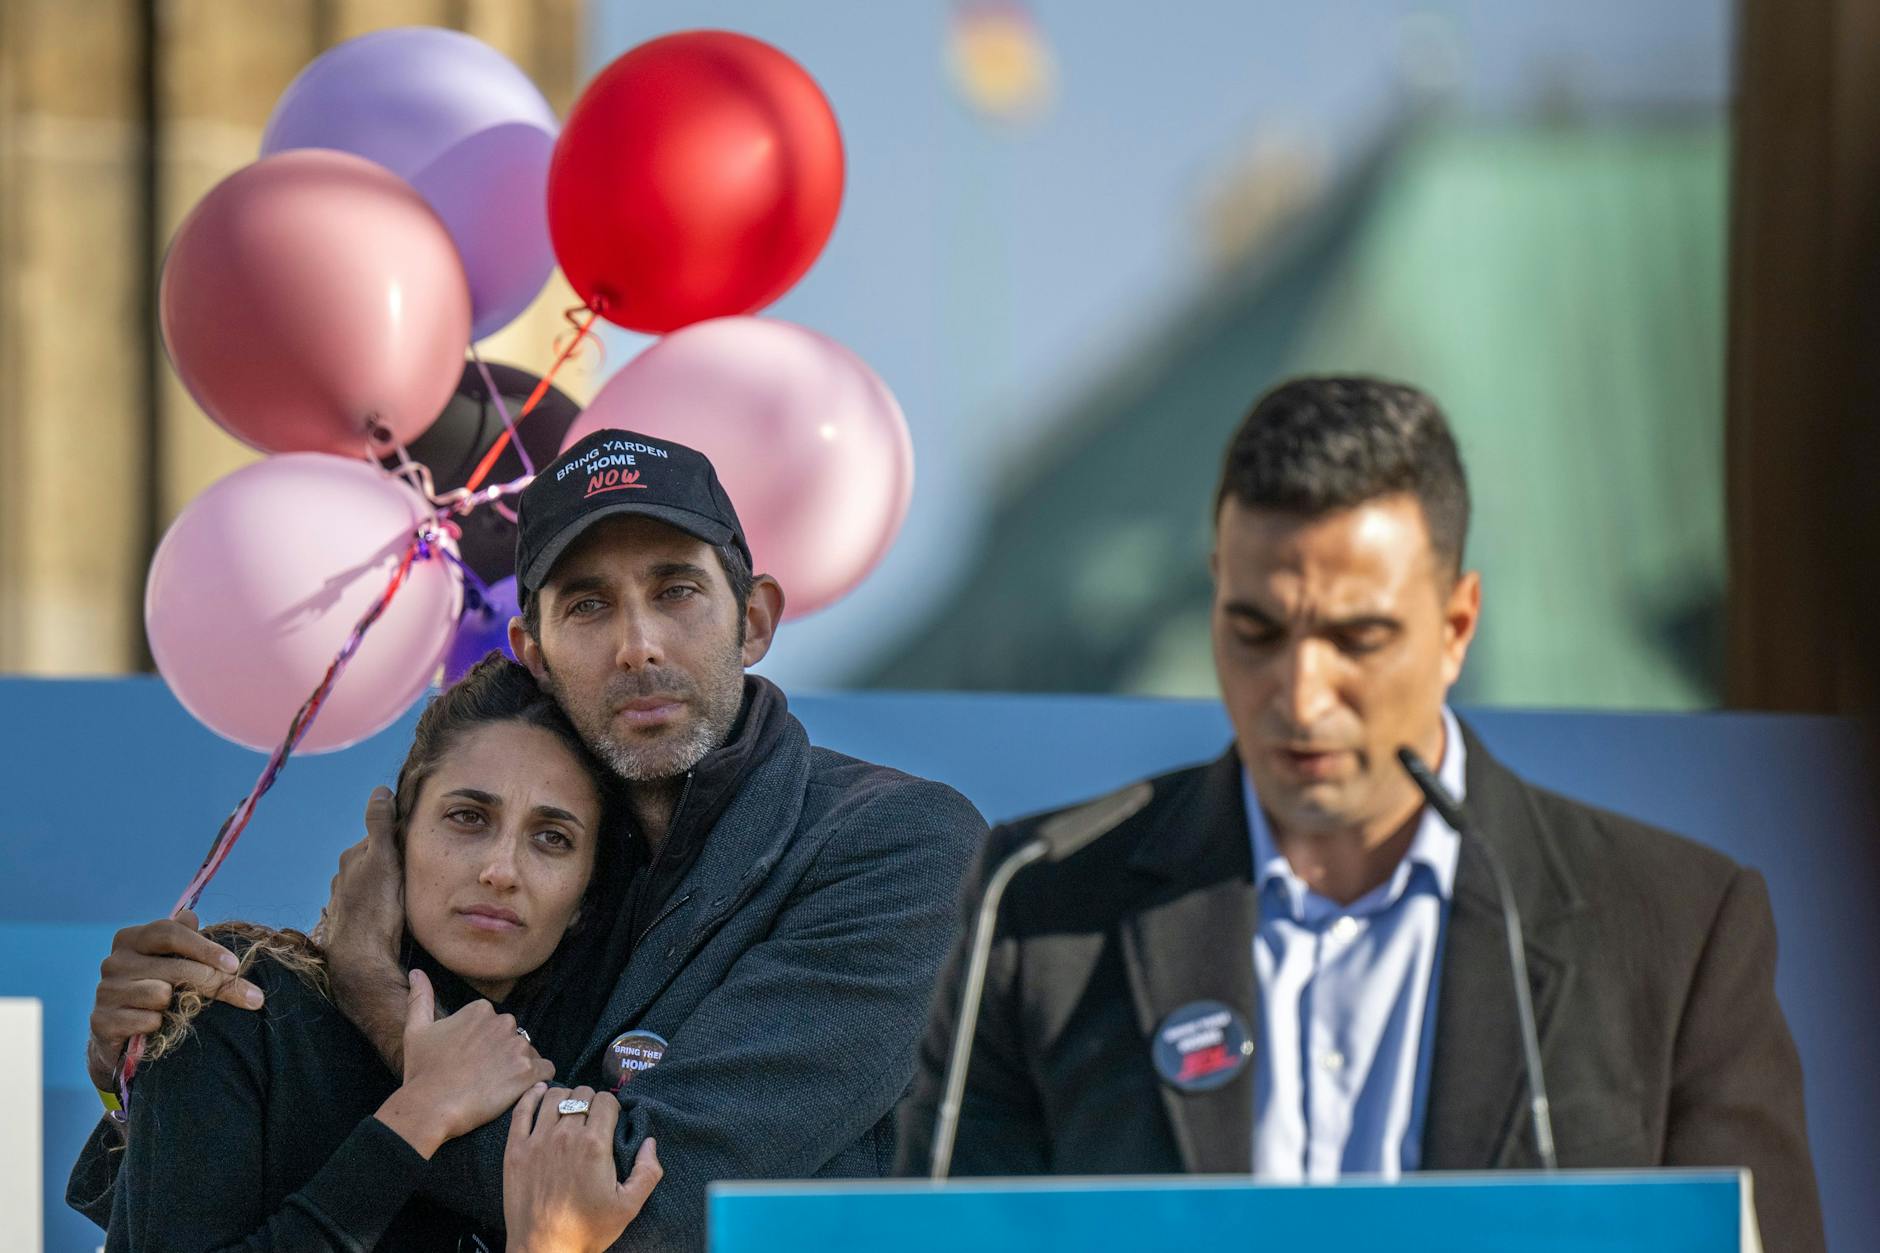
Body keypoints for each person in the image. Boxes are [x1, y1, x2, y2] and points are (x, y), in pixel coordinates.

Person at [897, 377, 1825, 1252]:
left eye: (1358, 637)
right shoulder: (1044, 902)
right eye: (1256, 630)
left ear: (1457, 626)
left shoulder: (1674, 924)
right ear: (1216, 594)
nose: (1301, 696)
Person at [75, 429, 987, 1251]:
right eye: (588, 606)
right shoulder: (545, 895)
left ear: (753, 620)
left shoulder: (898, 843)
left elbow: (643, 1200)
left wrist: (379, 997)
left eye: (677, 591)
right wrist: (146, 1065)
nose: (638, 643)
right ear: (534, 649)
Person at [71, 655, 662, 1250]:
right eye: (467, 817)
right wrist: (419, 1116)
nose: (500, 870)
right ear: (398, 838)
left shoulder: (591, 1077)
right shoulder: (244, 999)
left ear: (589, 891)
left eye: (551, 838)